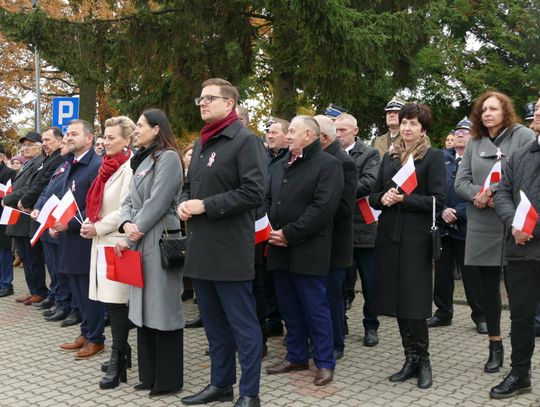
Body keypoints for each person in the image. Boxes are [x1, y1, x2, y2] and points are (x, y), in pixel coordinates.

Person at [178, 78, 266, 407]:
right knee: (214, 326)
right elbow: (190, 186)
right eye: (200, 98)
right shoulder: (201, 142)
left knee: (243, 327)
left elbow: (254, 192)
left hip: (229, 251)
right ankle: (221, 384)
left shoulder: (246, 141)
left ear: (229, 104)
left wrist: (206, 205)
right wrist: (184, 203)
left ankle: (250, 393)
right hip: (201, 249)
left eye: (210, 98)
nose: (202, 103)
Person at [455, 91, 535, 374]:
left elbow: (529, 175)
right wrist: (480, 194)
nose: (487, 114)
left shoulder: (523, 136)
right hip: (482, 221)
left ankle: (519, 354)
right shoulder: (475, 141)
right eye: (483, 109)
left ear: (505, 112)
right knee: (488, 288)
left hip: (514, 221)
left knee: (518, 291)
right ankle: (494, 345)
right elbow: (460, 182)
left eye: (493, 109)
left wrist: (494, 194)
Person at [369, 103, 446, 389]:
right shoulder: (389, 157)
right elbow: (373, 196)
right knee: (398, 300)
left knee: (414, 302)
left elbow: (438, 201)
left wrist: (405, 199)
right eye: (404, 122)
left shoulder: (432, 157)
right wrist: (384, 198)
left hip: (416, 239)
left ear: (423, 129)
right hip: (389, 238)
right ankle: (409, 359)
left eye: (413, 123)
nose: (407, 127)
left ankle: (424, 362)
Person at [265, 115, 343, 386]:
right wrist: (269, 229)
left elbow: (323, 208)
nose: (287, 135)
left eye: (293, 131)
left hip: (308, 249)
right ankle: (296, 356)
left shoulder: (328, 165)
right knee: (289, 308)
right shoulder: (280, 165)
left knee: (315, 309)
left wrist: (290, 233)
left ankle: (325, 363)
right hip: (278, 248)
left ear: (309, 135)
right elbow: (269, 199)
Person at [116, 109, 184, 396]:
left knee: (162, 307)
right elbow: (128, 200)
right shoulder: (142, 160)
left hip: (159, 238)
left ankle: (168, 380)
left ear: (157, 129)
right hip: (139, 237)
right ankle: (149, 374)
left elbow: (159, 200)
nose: (136, 130)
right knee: (142, 307)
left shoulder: (168, 158)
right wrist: (126, 224)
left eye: (141, 125)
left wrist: (136, 228)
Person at [490, 97, 540, 399]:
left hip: (531, 239)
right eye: (538, 107)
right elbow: (502, 194)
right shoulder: (520, 155)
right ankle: (520, 374)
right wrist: (514, 224)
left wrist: (532, 228)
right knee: (520, 319)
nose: (537, 112)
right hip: (520, 252)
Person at [79, 116, 135, 389]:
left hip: (118, 242)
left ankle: (117, 357)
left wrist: (97, 227)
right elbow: (98, 202)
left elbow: (126, 209)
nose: (106, 141)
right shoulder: (107, 166)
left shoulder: (129, 167)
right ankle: (122, 352)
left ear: (127, 140)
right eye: (105, 136)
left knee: (117, 304)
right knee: (110, 303)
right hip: (101, 240)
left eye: (112, 137)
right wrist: (90, 222)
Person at [428, 118, 486, 333]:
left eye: (466, 131)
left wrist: (457, 213)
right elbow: (432, 187)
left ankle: (481, 316)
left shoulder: (479, 160)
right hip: (442, 225)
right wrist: (442, 210)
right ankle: (443, 313)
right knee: (442, 274)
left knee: (472, 275)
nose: (460, 134)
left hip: (467, 226)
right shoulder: (441, 158)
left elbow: (480, 190)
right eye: (457, 131)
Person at [53, 120, 103, 360]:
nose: (68, 137)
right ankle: (85, 332)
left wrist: (68, 223)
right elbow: (67, 200)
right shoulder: (71, 163)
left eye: (74, 134)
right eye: (67, 134)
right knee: (76, 289)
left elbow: (95, 205)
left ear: (89, 138)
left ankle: (96, 338)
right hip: (69, 239)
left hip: (84, 239)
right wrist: (54, 222)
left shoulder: (95, 165)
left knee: (87, 291)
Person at [335, 112, 381, 346]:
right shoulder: (329, 152)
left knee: (370, 284)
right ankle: (339, 324)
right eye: (336, 130)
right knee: (340, 283)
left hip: (364, 229)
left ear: (355, 131)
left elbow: (368, 184)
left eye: (343, 130)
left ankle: (371, 326)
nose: (338, 134)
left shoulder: (370, 154)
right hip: (338, 228)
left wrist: (333, 190)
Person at [314, 115, 356, 360]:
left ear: (323, 138)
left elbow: (344, 207)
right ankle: (320, 341)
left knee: (332, 297)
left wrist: (314, 215)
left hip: (334, 243)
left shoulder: (343, 162)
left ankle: (336, 343)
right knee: (318, 298)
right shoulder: (314, 159)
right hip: (316, 241)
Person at [22, 127, 65, 311]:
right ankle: (55, 296)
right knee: (51, 262)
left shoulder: (60, 159)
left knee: (56, 263)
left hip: (55, 218)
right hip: (42, 214)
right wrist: (37, 205)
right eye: (44, 140)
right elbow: (45, 189)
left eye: (48, 140)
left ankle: (61, 300)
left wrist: (26, 200)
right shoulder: (49, 159)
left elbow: (42, 185)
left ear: (60, 140)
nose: (45, 144)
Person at [4, 131, 47, 305]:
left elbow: (29, 188)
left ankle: (40, 291)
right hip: (20, 218)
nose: (24, 148)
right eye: (23, 145)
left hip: (28, 217)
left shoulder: (39, 163)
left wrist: (8, 198)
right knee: (26, 258)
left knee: (33, 259)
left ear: (39, 147)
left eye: (29, 145)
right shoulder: (28, 163)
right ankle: (33, 290)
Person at [0, 145, 17, 297]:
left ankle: (6, 284)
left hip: (3, 218)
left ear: (1, 157)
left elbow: (10, 195)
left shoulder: (9, 173)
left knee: (4, 251)